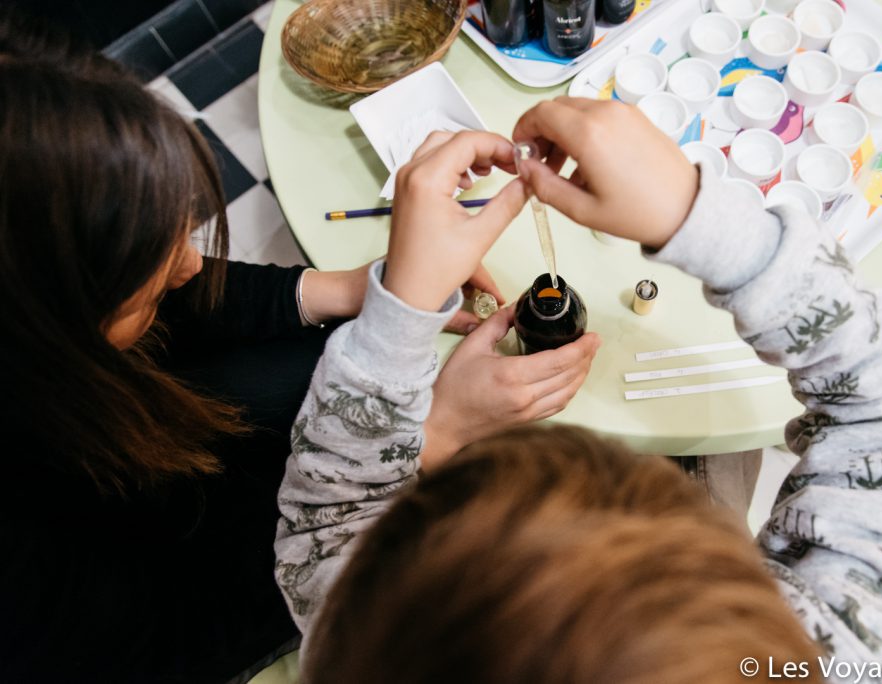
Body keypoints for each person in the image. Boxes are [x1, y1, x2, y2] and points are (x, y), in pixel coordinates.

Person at [273, 98, 882, 682]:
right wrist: (700, 218)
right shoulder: (832, 652)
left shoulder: (359, 629)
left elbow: (326, 523)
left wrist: (402, 312)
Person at [0, 34, 597, 684]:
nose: (192, 266)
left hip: (138, 467)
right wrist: (431, 437)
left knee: (321, 362)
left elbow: (184, 297)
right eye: (145, 283)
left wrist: (347, 290)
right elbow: (201, 626)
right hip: (198, 608)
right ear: (47, 322)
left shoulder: (38, 288)